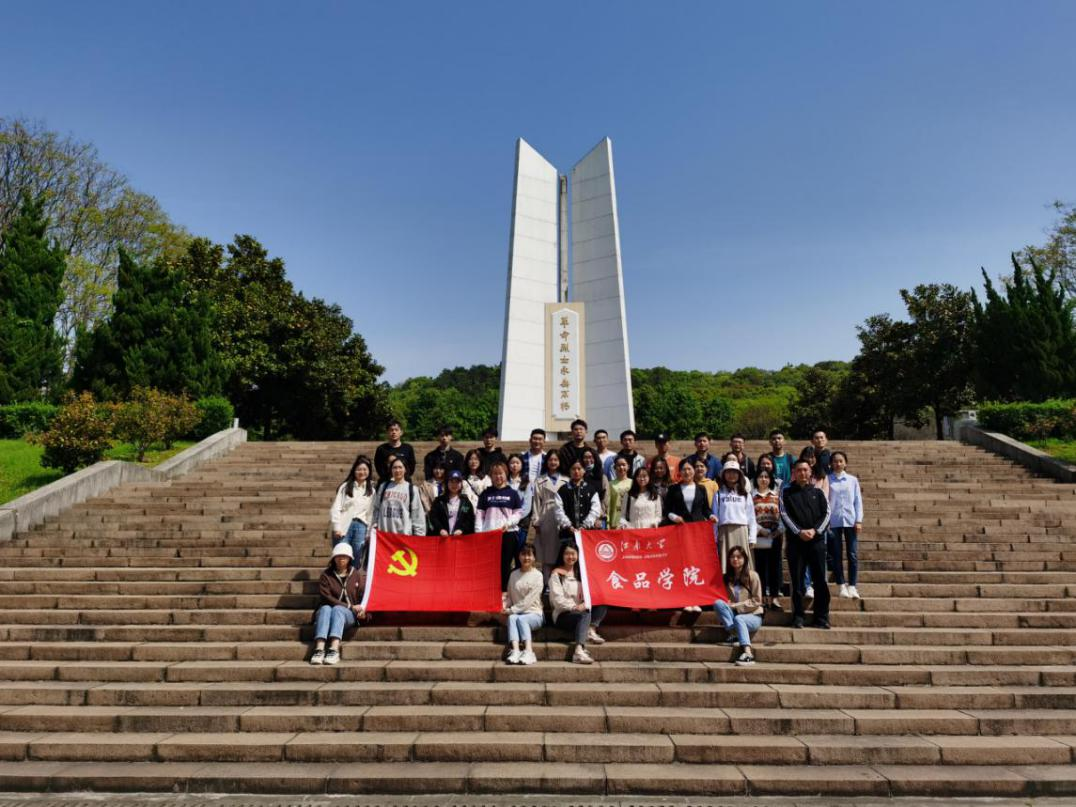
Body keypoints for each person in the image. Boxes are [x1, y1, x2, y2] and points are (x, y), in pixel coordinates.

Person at [781, 459, 832, 629]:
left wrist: (815, 531)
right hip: (796, 543)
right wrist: (799, 531)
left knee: (820, 580)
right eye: (799, 470)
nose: (802, 473)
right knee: (797, 581)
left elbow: (827, 513)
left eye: (805, 470)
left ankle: (822, 617)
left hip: (816, 542)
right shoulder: (786, 493)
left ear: (810, 473)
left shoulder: (818, 492)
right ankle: (798, 616)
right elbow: (784, 514)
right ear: (794, 473)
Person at [549, 542, 608, 664]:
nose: (570, 557)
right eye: (567, 554)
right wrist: (574, 607)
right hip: (563, 614)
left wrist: (586, 602)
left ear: (578, 555)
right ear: (562, 555)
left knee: (602, 600)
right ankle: (578, 651)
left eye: (573, 554)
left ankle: (590, 629)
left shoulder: (581, 574)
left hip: (581, 611)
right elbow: (557, 600)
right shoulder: (556, 574)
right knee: (584, 614)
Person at [310, 542, 367, 665]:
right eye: (339, 556)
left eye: (345, 556)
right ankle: (319, 649)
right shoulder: (326, 575)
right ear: (334, 558)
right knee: (326, 608)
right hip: (326, 614)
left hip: (347, 615)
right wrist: (349, 606)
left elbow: (362, 596)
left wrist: (363, 610)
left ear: (350, 558)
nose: (342, 558)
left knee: (338, 609)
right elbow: (326, 597)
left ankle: (334, 649)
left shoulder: (356, 575)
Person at [476, 460, 525, 593]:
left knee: (505, 564)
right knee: (489, 564)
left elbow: (518, 513)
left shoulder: (512, 493)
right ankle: (488, 591)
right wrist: (479, 533)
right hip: (489, 535)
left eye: (501, 473)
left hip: (508, 533)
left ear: (506, 474)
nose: (498, 476)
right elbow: (479, 515)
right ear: (491, 476)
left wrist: (508, 524)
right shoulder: (485, 494)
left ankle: (503, 592)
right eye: (495, 474)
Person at [714, 545, 763, 666]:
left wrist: (736, 605)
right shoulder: (727, 578)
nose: (735, 559)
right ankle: (734, 634)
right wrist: (728, 603)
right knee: (718, 603)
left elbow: (757, 600)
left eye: (739, 557)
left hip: (753, 616)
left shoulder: (752, 576)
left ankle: (748, 653)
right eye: (732, 557)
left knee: (739, 618)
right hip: (735, 615)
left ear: (745, 559)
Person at [827, 450, 863, 599]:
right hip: (833, 521)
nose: (838, 463)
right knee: (836, 554)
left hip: (850, 520)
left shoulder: (852, 480)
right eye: (835, 461)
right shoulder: (827, 480)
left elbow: (857, 501)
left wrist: (859, 520)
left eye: (841, 461)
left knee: (852, 554)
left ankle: (852, 585)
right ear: (831, 464)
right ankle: (841, 585)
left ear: (845, 463)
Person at [712, 459, 758, 574]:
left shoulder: (745, 495)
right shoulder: (718, 494)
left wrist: (752, 537)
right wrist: (714, 537)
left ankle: (744, 584)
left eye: (734, 472)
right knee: (726, 562)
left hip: (741, 531)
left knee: (742, 562)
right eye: (728, 472)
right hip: (724, 532)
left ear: (739, 475)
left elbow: (751, 517)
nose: (731, 475)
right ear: (724, 475)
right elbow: (715, 518)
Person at [330, 454, 375, 561]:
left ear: (369, 471)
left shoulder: (371, 490)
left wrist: (369, 532)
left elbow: (370, 513)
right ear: (354, 471)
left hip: (361, 526)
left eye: (365, 469)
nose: (362, 472)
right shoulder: (345, 486)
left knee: (357, 557)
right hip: (344, 525)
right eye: (359, 469)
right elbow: (336, 508)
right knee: (341, 554)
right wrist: (336, 527)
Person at [504, 544, 543, 665]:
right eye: (523, 554)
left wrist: (511, 610)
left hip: (534, 613)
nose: (526, 558)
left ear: (534, 558)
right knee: (511, 618)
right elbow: (510, 596)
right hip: (518, 613)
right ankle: (515, 650)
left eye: (529, 555)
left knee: (521, 619)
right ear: (519, 556)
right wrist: (504, 606)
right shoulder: (513, 575)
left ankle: (529, 651)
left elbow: (528, 601)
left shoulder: (538, 575)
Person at [752, 468, 784, 611]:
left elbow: (783, 515)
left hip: (775, 536)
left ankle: (774, 597)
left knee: (774, 567)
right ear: (756, 479)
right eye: (761, 476)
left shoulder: (777, 496)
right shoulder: (752, 497)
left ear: (770, 480)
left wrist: (779, 530)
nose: (763, 479)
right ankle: (762, 597)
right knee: (760, 567)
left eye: (766, 477)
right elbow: (749, 517)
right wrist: (761, 530)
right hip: (759, 537)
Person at [532, 450, 567, 580]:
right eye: (550, 460)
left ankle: (561, 582)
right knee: (547, 554)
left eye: (556, 460)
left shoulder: (566, 480)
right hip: (546, 516)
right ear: (546, 462)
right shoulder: (540, 480)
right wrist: (536, 520)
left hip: (562, 516)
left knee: (561, 552)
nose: (553, 462)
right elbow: (536, 501)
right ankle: (547, 583)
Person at [372, 457, 426, 536]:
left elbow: (417, 514)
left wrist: (419, 535)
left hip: (403, 536)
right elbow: (376, 509)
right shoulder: (383, 487)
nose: (397, 470)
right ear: (391, 470)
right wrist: (373, 527)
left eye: (400, 467)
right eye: (395, 468)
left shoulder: (412, 489)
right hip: (384, 535)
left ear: (405, 469)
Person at [553, 460, 602, 542]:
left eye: (579, 469)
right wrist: (568, 526)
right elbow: (558, 510)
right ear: (569, 471)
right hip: (567, 533)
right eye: (573, 469)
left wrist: (585, 526)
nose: (576, 471)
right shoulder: (562, 490)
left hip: (587, 533)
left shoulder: (591, 489)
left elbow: (595, 510)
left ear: (584, 470)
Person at [664, 459, 717, 525]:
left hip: (698, 525)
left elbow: (705, 509)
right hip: (680, 525)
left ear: (694, 470)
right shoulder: (673, 489)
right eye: (684, 469)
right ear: (680, 472)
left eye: (689, 469)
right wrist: (674, 517)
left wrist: (711, 516)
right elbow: (667, 509)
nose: (687, 472)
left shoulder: (701, 488)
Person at [428, 470, 476, 536]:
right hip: (442, 538)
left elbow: (470, 519)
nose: (454, 485)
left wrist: (461, 529)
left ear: (461, 484)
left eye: (457, 482)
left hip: (460, 538)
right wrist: (440, 529)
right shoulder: (439, 501)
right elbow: (433, 517)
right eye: (451, 481)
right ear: (447, 483)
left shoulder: (465, 502)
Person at [507, 453, 534, 541]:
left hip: (521, 522)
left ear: (522, 465)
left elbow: (527, 506)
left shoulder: (526, 482)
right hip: (505, 521)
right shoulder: (504, 481)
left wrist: (515, 518)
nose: (514, 465)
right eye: (512, 463)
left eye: (517, 463)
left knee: (519, 546)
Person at [604, 456, 632, 529]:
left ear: (628, 466)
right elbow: (608, 505)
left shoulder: (633, 483)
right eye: (618, 465)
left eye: (623, 465)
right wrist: (608, 522)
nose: (621, 467)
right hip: (615, 521)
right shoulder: (610, 484)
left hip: (631, 521)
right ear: (614, 467)